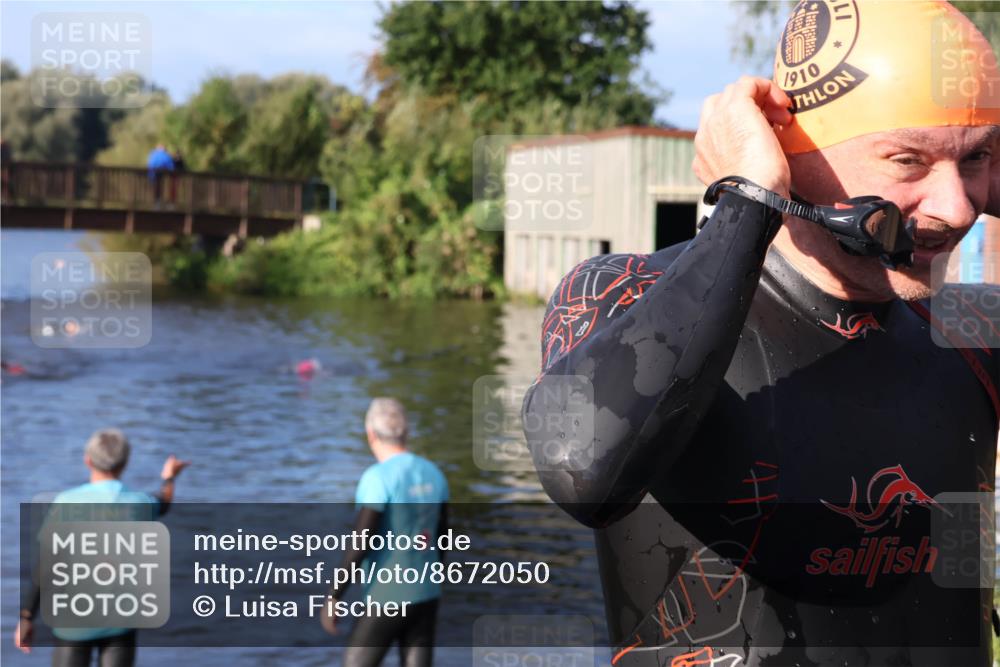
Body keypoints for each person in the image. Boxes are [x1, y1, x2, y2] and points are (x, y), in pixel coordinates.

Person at [523, 2, 1000, 665]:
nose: (958, 207)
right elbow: (583, 470)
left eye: (975, 160)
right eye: (908, 160)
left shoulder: (975, 334)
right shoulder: (623, 296)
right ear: (791, 149)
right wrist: (749, 201)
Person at [14, 429, 190, 666]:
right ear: (125, 463)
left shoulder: (66, 503)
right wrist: (169, 477)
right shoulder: (139, 503)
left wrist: (27, 616)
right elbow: (164, 502)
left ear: (87, 460)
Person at [320, 398, 449, 667]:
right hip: (427, 592)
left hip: (388, 595)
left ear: (370, 434)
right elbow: (444, 538)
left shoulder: (377, 478)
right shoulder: (434, 473)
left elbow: (361, 540)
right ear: (406, 432)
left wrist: (334, 596)